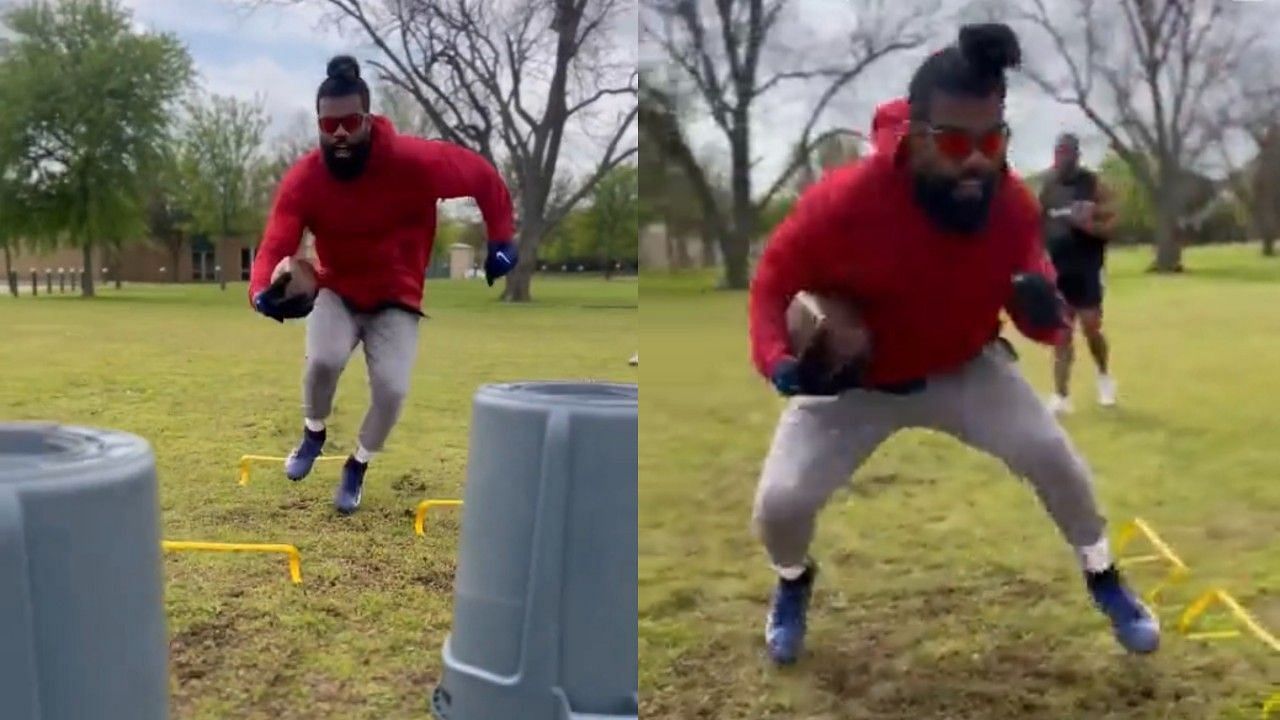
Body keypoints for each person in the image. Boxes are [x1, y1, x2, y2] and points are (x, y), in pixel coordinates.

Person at [746, 24, 1159, 666]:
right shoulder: (842, 203)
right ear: (914, 135)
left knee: (1053, 456)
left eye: (991, 140)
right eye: (954, 141)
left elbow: (1041, 302)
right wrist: (782, 365)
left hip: (965, 365)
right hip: (861, 383)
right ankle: (794, 582)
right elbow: (772, 283)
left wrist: (1044, 313)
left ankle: (1105, 576)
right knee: (780, 504)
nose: (975, 159)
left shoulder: (1012, 207)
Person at [248, 55, 517, 515]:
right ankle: (314, 432)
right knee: (322, 362)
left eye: (349, 122)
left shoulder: (415, 162)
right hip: (337, 287)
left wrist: (501, 238)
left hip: (397, 296)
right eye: (328, 124)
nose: (338, 133)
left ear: (368, 120)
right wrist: (259, 292)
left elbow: (484, 179)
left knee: (391, 390)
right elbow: (276, 242)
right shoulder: (305, 179)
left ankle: (357, 465)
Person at [1039, 132, 1118, 414]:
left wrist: (1088, 226)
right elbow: (1039, 223)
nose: (1060, 158)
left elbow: (1111, 225)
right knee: (1061, 334)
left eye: (1066, 153)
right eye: (1057, 152)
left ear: (1076, 155)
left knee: (1091, 328)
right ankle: (1061, 396)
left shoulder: (1093, 184)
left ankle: (1105, 377)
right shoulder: (1048, 186)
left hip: (1087, 267)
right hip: (1058, 269)